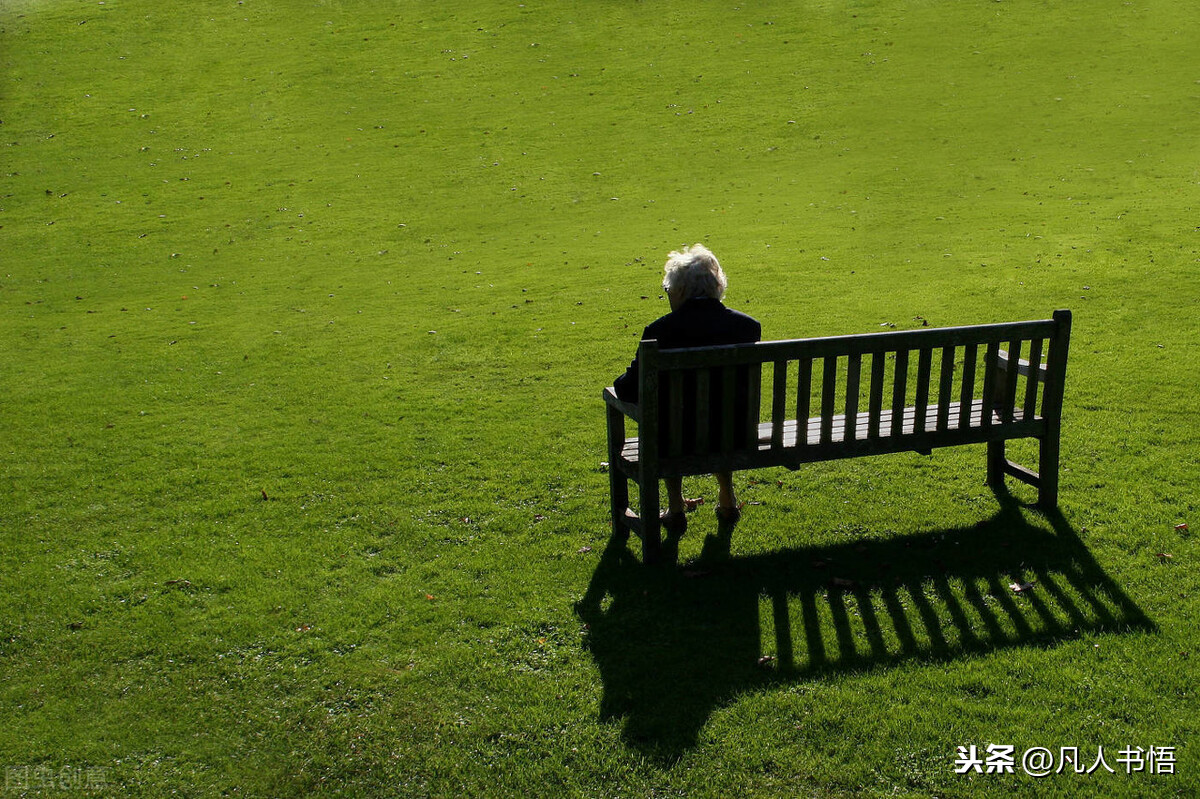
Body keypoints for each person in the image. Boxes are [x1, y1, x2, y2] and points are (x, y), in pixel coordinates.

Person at [613, 244, 761, 535]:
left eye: (668, 289)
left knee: (672, 419)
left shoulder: (660, 332)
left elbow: (627, 390)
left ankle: (675, 507)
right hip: (734, 434)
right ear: (716, 286)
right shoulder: (747, 327)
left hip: (673, 441)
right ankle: (727, 496)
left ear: (680, 291)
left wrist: (614, 389)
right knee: (719, 409)